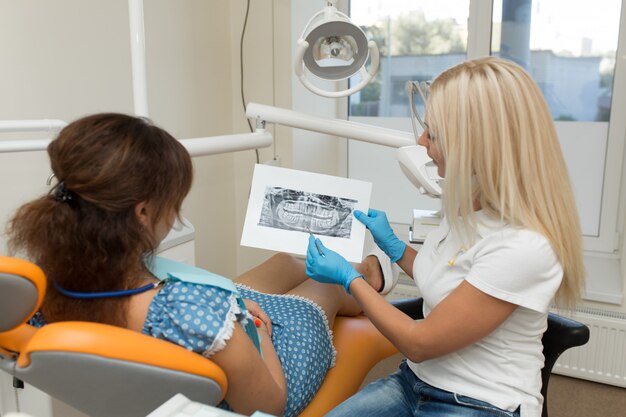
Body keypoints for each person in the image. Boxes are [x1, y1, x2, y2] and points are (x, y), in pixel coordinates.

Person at [6, 113, 389, 417]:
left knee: (289, 259)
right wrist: (253, 329)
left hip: (212, 334)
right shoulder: (195, 309)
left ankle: (363, 270)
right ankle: (367, 277)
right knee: (326, 283)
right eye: (174, 202)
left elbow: (181, 301)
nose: (175, 215)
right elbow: (267, 405)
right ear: (142, 212)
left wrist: (232, 315)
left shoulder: (52, 286)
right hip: (268, 380)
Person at [305, 56, 585, 417]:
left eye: (432, 133)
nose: (421, 142)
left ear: (477, 145)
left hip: (481, 401)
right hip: (415, 382)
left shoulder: (524, 245)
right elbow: (448, 278)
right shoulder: (470, 207)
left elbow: (419, 343)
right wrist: (395, 247)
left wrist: (350, 278)